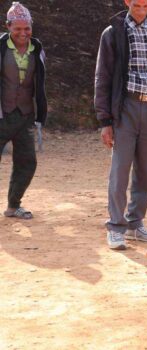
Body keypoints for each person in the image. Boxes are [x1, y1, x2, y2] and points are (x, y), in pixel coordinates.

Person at [94, 0, 147, 250]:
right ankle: (116, 226)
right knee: (120, 171)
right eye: (137, 4)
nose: (142, 9)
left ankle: (135, 222)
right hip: (125, 108)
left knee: (146, 173)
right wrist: (105, 120)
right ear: (127, 2)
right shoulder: (113, 33)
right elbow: (103, 76)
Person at [0, 2, 47, 220]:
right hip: (2, 115)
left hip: (25, 115)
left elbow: (40, 82)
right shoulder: (1, 47)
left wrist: (39, 112)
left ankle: (13, 205)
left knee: (27, 162)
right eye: (17, 28)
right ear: (8, 26)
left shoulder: (36, 49)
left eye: (26, 28)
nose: (23, 33)